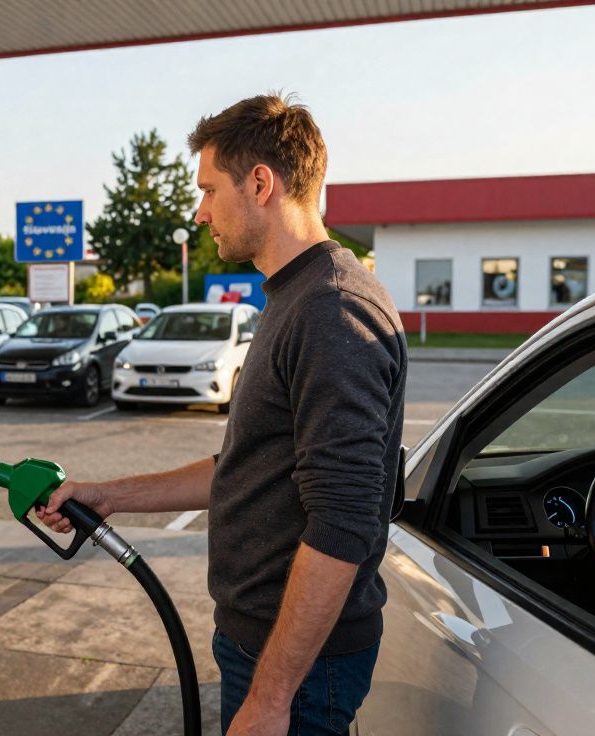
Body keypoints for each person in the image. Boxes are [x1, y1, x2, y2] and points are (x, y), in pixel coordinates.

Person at [38, 94, 407, 736]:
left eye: (209, 190)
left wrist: (270, 698)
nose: (200, 210)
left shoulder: (333, 313)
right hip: (266, 650)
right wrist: (104, 496)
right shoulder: (294, 300)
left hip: (296, 668)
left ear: (260, 183)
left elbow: (343, 521)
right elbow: (241, 469)